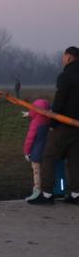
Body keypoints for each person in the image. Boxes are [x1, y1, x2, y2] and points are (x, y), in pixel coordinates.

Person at [28, 46, 79, 204]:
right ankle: (76, 194)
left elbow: (59, 101)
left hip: (64, 123)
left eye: (64, 57)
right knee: (75, 159)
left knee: (49, 156)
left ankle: (47, 193)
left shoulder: (65, 76)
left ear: (69, 58)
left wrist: (52, 122)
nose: (63, 60)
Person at [23, 99, 51, 200]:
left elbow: (30, 138)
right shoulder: (50, 121)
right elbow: (39, 114)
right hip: (48, 153)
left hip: (36, 154)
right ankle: (47, 192)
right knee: (47, 172)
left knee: (36, 172)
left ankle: (37, 192)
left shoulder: (35, 123)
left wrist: (26, 152)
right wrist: (29, 114)